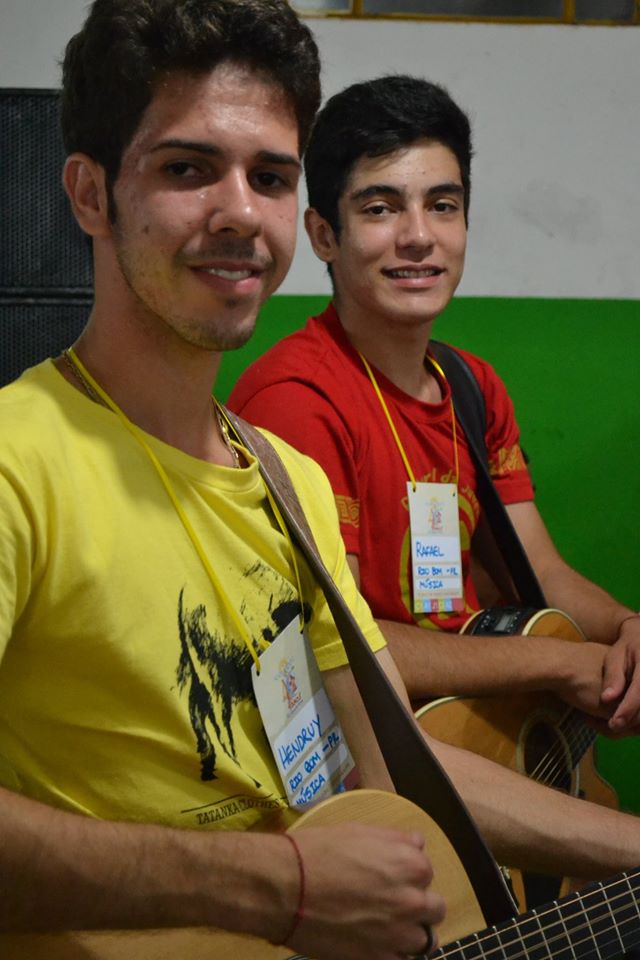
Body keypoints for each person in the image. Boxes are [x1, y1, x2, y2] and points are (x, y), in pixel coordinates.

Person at [2, 10, 640, 958]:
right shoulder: (18, 461)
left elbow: (397, 762)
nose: (239, 213)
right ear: (91, 195)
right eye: (188, 169)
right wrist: (279, 885)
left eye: (269, 176)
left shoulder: (282, 475)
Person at [228, 74, 640, 736]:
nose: (419, 236)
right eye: (381, 208)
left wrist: (625, 628)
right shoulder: (298, 400)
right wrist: (560, 664)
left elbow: (543, 573)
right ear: (324, 235)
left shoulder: (472, 387)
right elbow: (335, 645)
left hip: (490, 733)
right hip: (379, 758)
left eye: (443, 205)